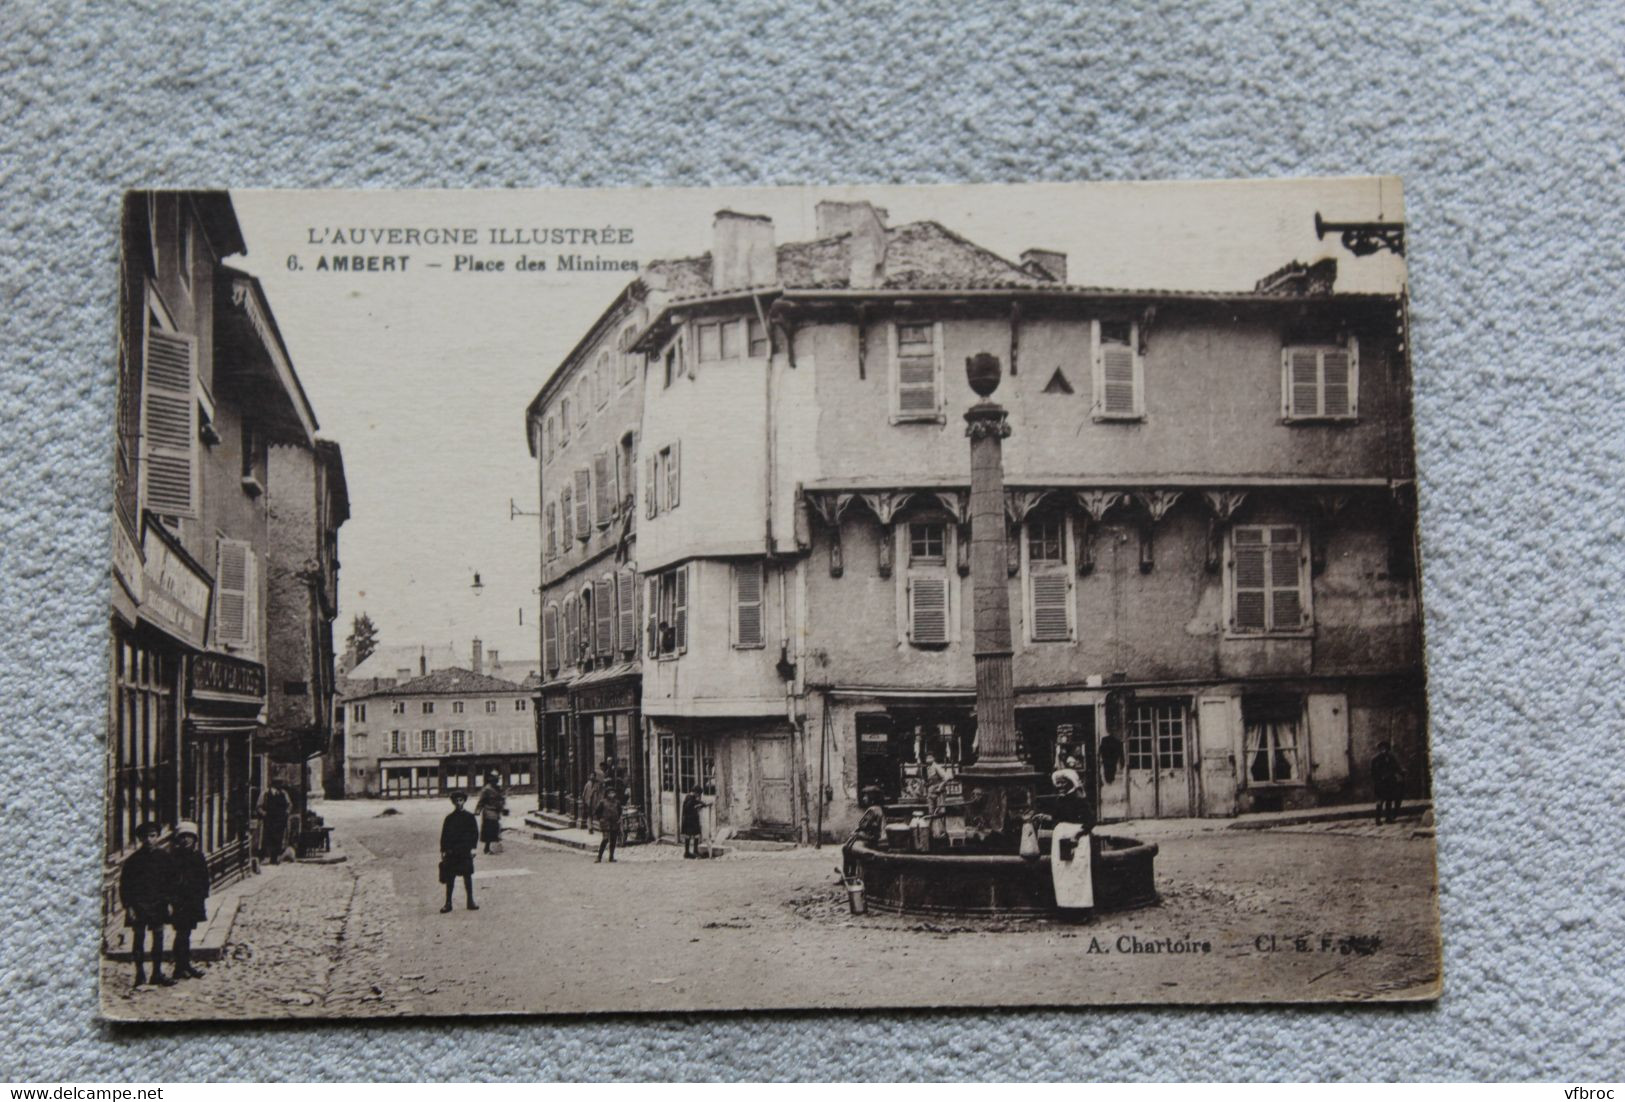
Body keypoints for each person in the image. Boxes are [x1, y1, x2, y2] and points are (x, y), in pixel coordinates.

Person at [119, 821, 173, 987]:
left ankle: (157, 973)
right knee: (139, 938)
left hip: (158, 904)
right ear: (140, 839)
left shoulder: (164, 858)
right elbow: (125, 885)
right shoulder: (133, 861)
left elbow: (170, 882)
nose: (149, 840)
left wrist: (170, 902)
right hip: (139, 905)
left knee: (158, 938)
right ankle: (139, 973)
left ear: (158, 837)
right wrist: (128, 907)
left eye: (153, 836)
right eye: (145, 837)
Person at [168, 820, 209, 980]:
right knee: (181, 934)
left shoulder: (198, 856)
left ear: (195, 839)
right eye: (183, 837)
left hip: (193, 900)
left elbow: (204, 877)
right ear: (178, 839)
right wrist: (172, 900)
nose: (186, 840)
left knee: (187, 933)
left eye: (189, 837)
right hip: (179, 901)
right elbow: (168, 881)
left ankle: (186, 965)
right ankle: (179, 968)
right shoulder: (173, 858)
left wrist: (202, 895)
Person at [439, 790, 480, 912]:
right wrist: (443, 850)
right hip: (452, 852)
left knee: (467, 876)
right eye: (456, 800)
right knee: (450, 877)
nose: (458, 803)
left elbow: (474, 833)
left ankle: (470, 901)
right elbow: (444, 835)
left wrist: (473, 848)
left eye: (461, 800)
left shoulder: (469, 817)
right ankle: (448, 903)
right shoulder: (449, 818)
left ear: (464, 801)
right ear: (453, 802)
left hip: (465, 851)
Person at [260, 780, 291, 865]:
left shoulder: (284, 793)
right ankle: (268, 857)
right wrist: (264, 814)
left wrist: (286, 812)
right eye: (278, 784)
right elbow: (259, 806)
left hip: (280, 820)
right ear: (273, 785)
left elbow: (289, 805)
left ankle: (276, 858)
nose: (280, 786)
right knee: (269, 838)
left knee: (279, 838)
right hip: (270, 820)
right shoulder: (265, 794)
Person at [1372, 741, 1404, 824]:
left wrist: (1401, 772)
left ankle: (1388, 818)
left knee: (1389, 800)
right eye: (1381, 748)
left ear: (1387, 749)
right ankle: (1378, 819)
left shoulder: (1391, 758)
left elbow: (1397, 767)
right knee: (1380, 801)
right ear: (1379, 749)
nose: (1383, 750)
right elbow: (1373, 772)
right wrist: (1378, 780)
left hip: (1390, 783)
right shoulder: (1375, 759)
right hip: (1380, 783)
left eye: (1385, 748)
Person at [475, 774, 507, 854]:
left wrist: (503, 799)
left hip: (496, 811)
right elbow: (481, 800)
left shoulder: (497, 788)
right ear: (491, 780)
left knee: (495, 828)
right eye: (495, 779)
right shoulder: (487, 789)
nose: (496, 781)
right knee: (489, 829)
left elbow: (500, 800)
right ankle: (487, 848)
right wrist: (478, 810)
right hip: (488, 811)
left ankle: (492, 847)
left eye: (497, 779)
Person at [592, 784, 623, 863]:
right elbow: (597, 812)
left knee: (613, 840)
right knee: (605, 839)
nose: (612, 794)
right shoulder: (602, 802)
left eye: (613, 793)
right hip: (605, 823)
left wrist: (618, 819)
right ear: (607, 794)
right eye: (610, 793)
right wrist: (601, 819)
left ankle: (611, 857)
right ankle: (599, 857)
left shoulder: (617, 802)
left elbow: (620, 811)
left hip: (614, 823)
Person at [680, 784, 705, 859]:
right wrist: (698, 806)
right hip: (690, 820)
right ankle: (693, 851)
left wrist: (699, 803)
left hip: (688, 820)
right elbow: (689, 807)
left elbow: (695, 802)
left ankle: (688, 852)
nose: (698, 796)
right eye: (698, 794)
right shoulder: (691, 798)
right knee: (695, 835)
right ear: (696, 792)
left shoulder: (689, 797)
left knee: (689, 836)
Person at [580, 769, 602, 834]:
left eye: (593, 776)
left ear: (595, 777)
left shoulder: (597, 784)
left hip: (595, 802)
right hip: (588, 802)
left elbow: (599, 794)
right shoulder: (588, 784)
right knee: (589, 816)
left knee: (598, 815)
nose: (592, 777)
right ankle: (590, 828)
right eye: (591, 776)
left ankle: (600, 827)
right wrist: (583, 801)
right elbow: (584, 793)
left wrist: (599, 801)